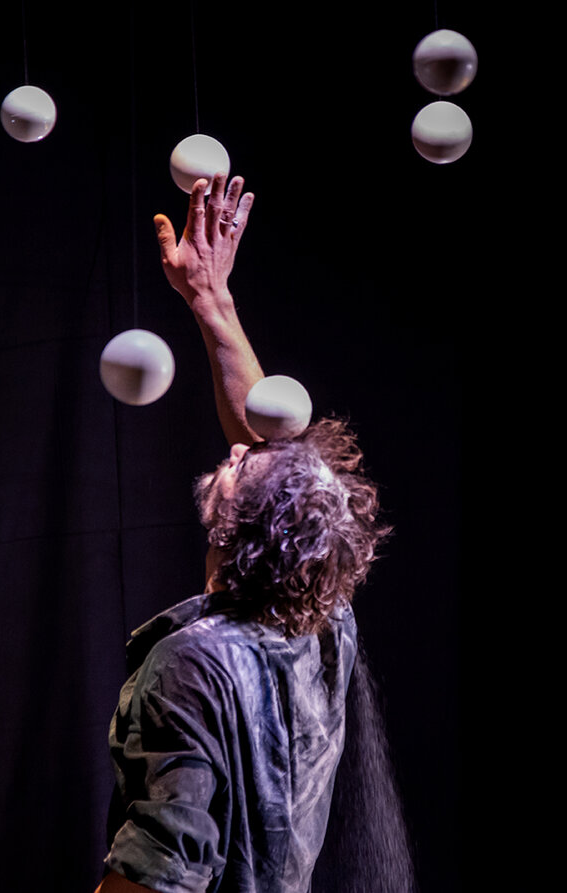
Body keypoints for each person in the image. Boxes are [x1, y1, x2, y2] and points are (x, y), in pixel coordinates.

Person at [95, 174, 408, 893]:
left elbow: (159, 873)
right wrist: (212, 301)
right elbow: (268, 451)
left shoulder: (192, 667)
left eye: (248, 464)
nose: (241, 447)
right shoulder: (324, 622)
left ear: (242, 538)